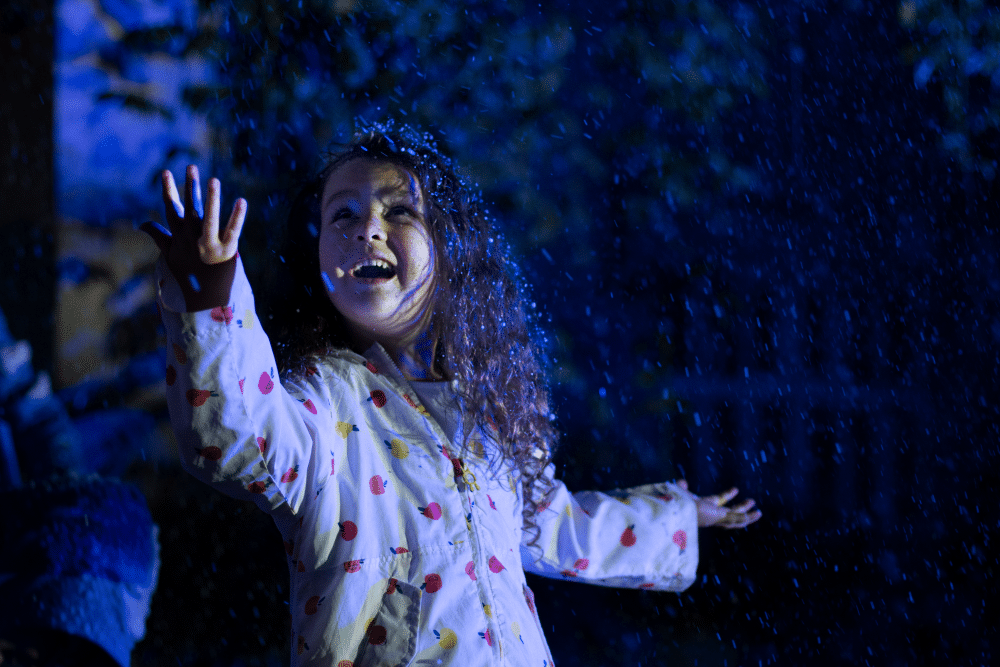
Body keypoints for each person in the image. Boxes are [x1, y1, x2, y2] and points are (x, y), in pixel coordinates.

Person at [141, 127, 761, 666]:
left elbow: (557, 525)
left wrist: (675, 517)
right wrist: (210, 299)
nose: (368, 231)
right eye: (344, 215)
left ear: (448, 247)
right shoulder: (326, 405)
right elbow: (239, 434)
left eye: (398, 212)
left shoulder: (485, 416)